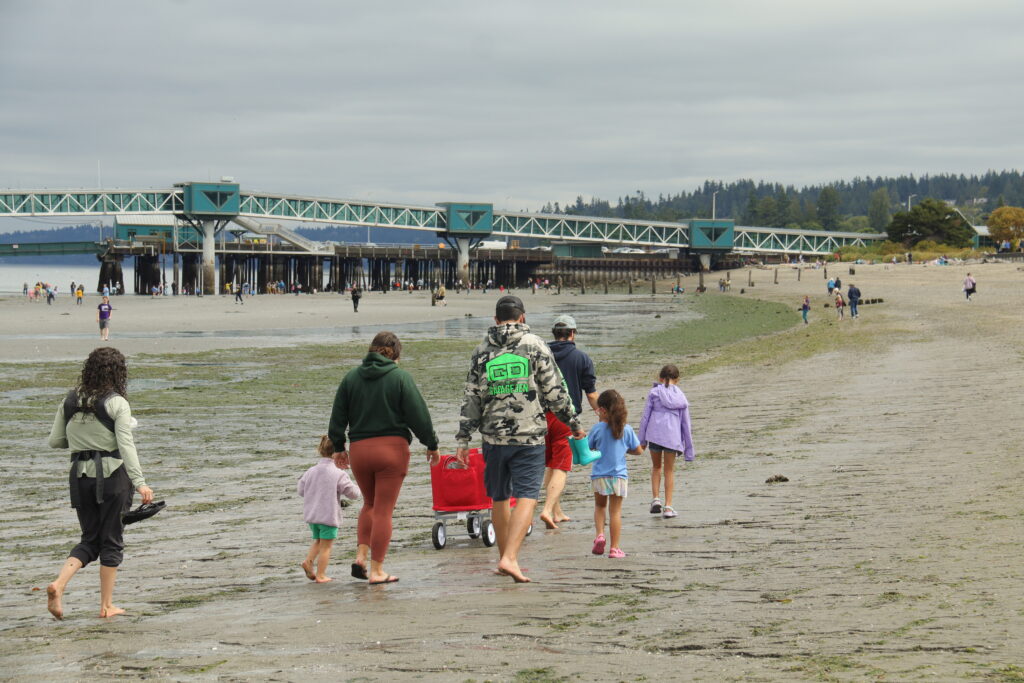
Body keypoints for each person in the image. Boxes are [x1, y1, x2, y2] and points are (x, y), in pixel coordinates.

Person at [455, 295, 584, 583]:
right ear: (522, 317)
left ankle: (505, 556)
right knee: (527, 495)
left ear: (496, 319)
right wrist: (573, 423)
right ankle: (509, 558)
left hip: (493, 438)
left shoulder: (480, 352)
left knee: (499, 498)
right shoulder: (535, 346)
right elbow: (554, 391)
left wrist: (463, 439)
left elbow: (471, 398)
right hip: (529, 436)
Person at [45, 347, 154, 619]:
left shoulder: (70, 400)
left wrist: (85, 438)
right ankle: (106, 606)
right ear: (119, 373)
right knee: (112, 541)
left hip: (80, 477)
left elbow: (55, 441)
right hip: (113, 478)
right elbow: (126, 445)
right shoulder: (117, 402)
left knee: (90, 539)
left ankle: (59, 584)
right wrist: (140, 483)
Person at [328, 332, 439, 585]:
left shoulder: (351, 378)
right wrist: (431, 444)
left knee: (369, 504)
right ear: (396, 354)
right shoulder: (400, 377)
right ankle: (377, 570)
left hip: (359, 450)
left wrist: (338, 446)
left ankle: (360, 556)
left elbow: (338, 415)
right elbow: (418, 416)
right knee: (384, 511)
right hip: (391, 449)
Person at [540, 314, 599, 530]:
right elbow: (591, 394)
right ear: (572, 334)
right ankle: (547, 510)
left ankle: (556, 511)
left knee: (551, 463)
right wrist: (602, 414)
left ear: (555, 334)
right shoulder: (581, 358)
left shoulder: (540, 355)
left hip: (540, 417)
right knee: (562, 466)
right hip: (565, 418)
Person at [298, 435, 361, 583]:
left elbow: (301, 490)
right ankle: (321, 575)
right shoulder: (339, 473)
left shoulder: (311, 471)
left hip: (312, 516)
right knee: (326, 547)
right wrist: (357, 482)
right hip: (328, 516)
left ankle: (308, 561)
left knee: (319, 541)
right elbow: (353, 494)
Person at [587, 390, 642, 558]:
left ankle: (599, 535)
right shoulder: (627, 429)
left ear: (603, 410)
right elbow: (638, 451)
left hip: (599, 476)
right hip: (619, 476)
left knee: (600, 506)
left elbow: (588, 450)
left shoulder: (597, 429)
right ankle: (615, 548)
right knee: (615, 512)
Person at [638, 364, 695, 520]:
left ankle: (656, 499)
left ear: (660, 378)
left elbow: (645, 418)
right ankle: (668, 507)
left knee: (656, 467)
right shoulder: (681, 397)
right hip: (672, 437)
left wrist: (641, 440)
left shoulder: (654, 393)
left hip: (654, 434)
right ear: (677, 379)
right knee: (669, 471)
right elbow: (686, 423)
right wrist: (688, 449)